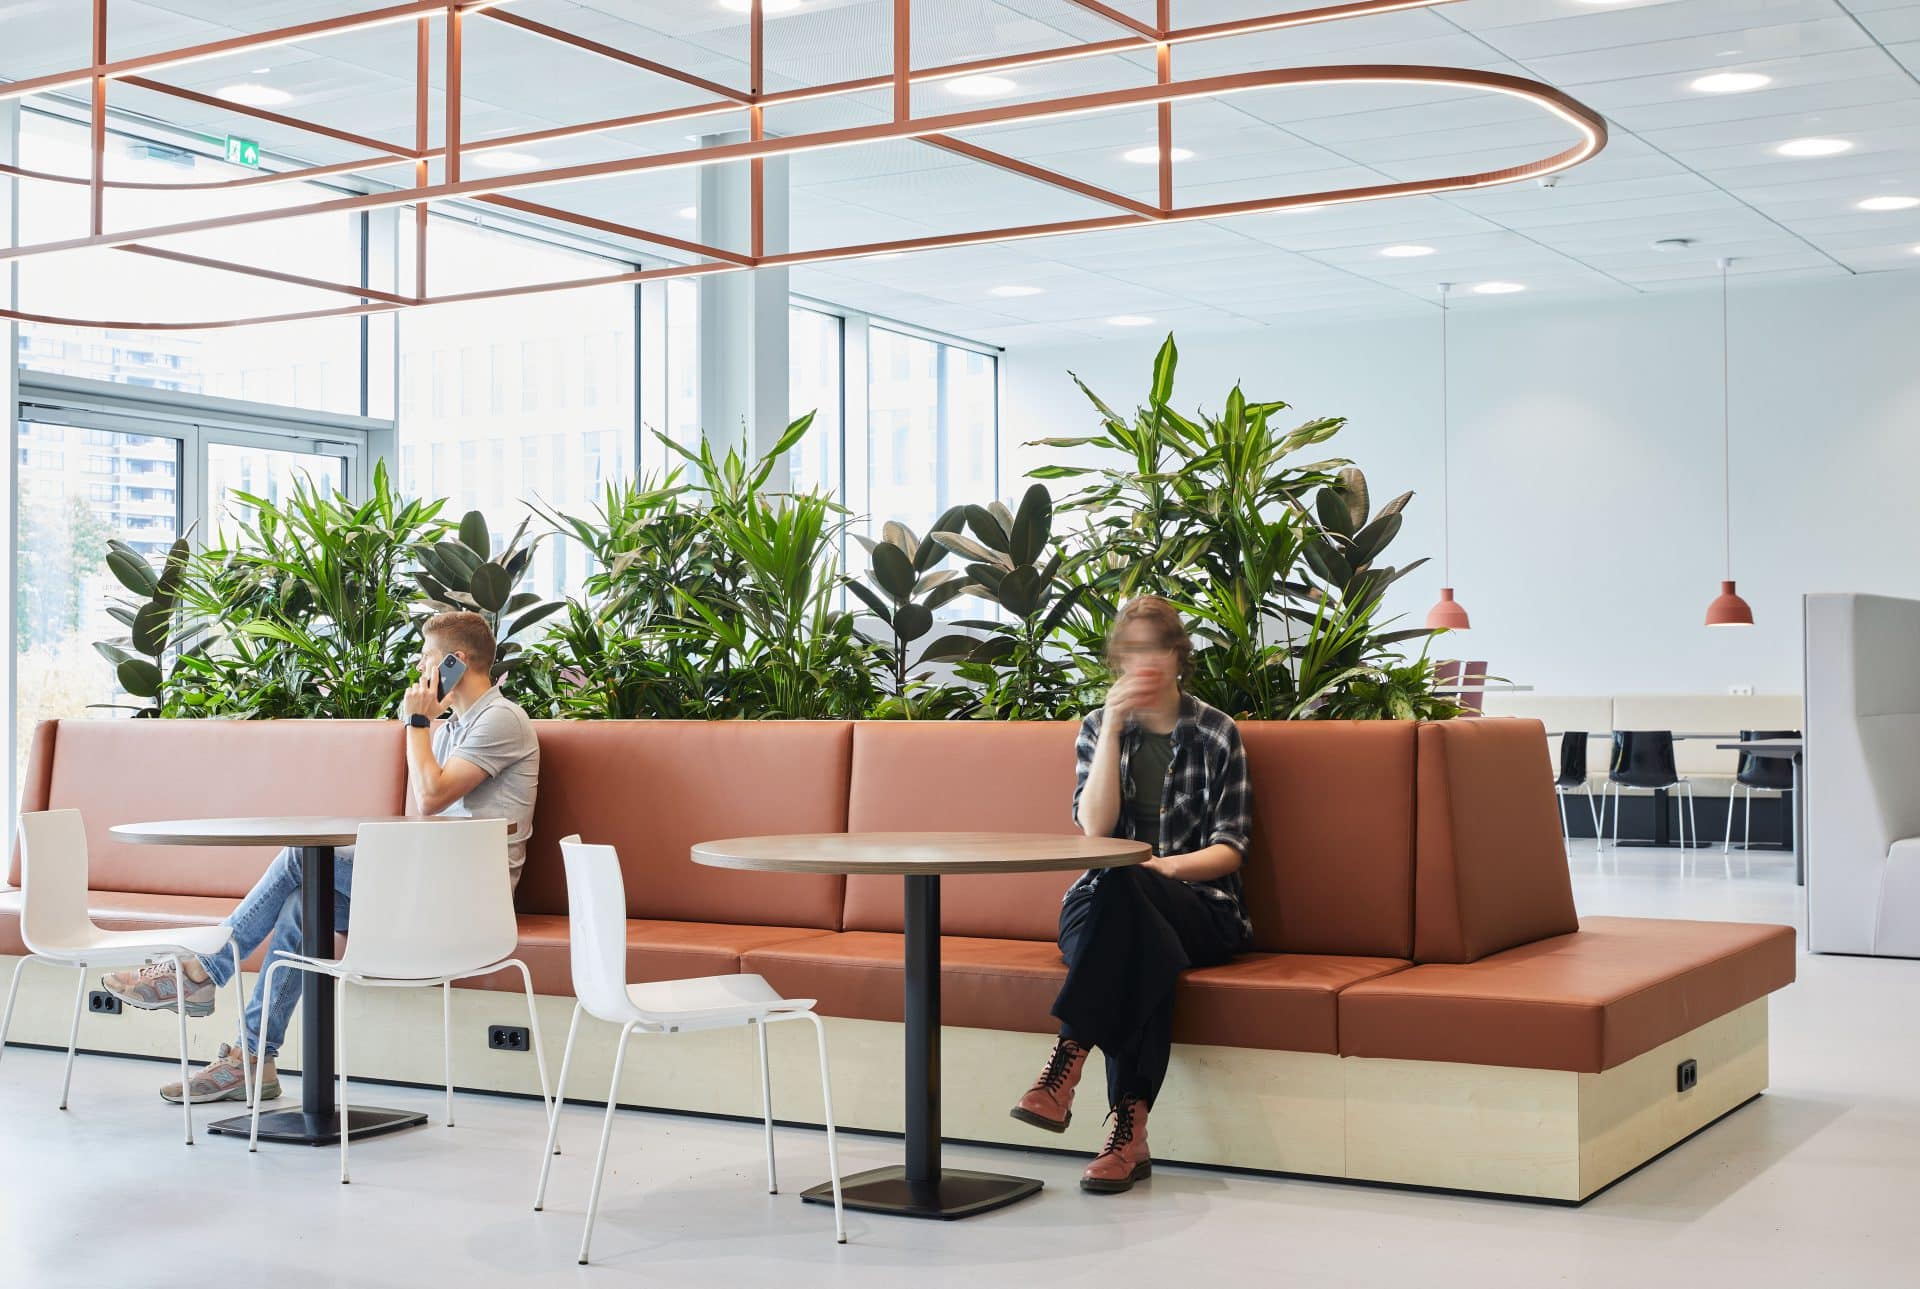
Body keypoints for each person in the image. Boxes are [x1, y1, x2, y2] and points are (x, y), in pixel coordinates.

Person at [99, 610, 541, 1105]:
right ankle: (252, 1060)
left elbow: (431, 797)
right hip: (429, 889)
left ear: (455, 662)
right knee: (303, 906)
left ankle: (199, 971)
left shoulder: (500, 719)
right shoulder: (453, 728)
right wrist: (426, 726)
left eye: (427, 659)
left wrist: (418, 720)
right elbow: (429, 812)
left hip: (468, 905)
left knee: (300, 858)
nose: (420, 669)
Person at [1010, 594, 1253, 1194]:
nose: (1146, 660)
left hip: (1200, 906)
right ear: (1118, 660)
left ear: (1178, 656)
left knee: (1130, 891)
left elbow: (1230, 849)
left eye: (1158, 648)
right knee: (1135, 926)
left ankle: (1067, 1060)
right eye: (1133, 650)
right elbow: (1094, 830)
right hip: (1100, 902)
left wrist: (1157, 870)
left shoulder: (1216, 732)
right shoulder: (1098, 728)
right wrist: (1115, 727)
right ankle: (1129, 1134)